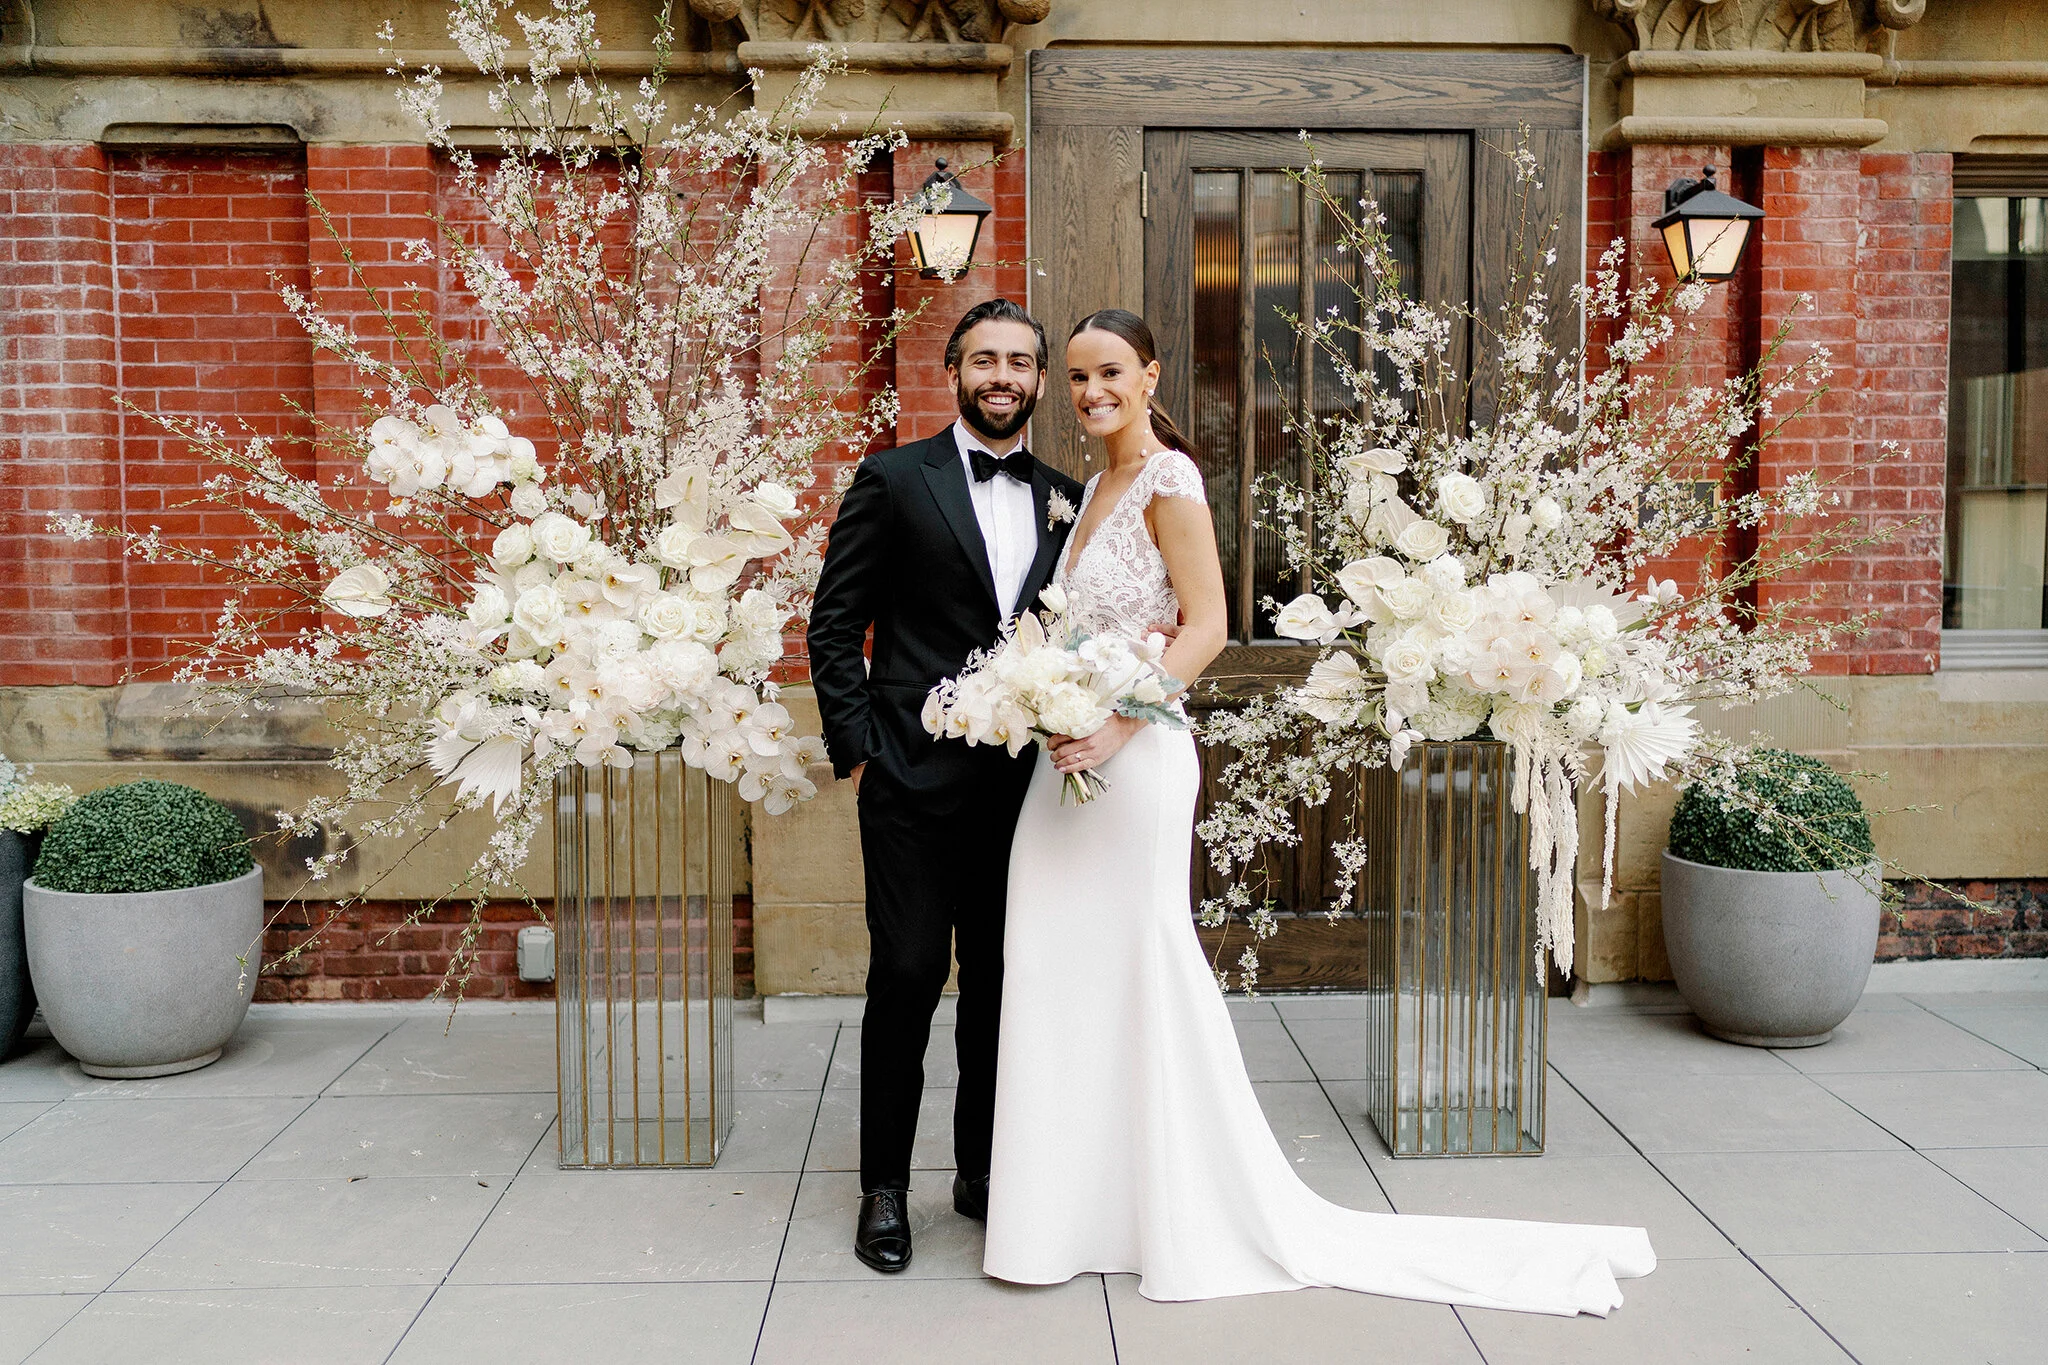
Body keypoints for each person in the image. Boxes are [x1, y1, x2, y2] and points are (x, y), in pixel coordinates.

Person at [980, 308, 1659, 1316]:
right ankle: (1070, 1214)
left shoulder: (1168, 479)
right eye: (1075, 377)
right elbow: (1085, 626)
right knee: (1047, 964)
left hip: (1134, 755)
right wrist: (1041, 703)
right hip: (1066, 763)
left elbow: (1205, 626)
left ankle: (1174, 1205)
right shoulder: (1088, 494)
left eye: (1109, 372)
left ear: (1150, 373)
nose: (1089, 393)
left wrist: (1115, 725)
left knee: (1140, 961)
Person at [808, 297, 1087, 1274]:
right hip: (910, 785)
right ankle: (883, 1190)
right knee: (908, 975)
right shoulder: (891, 480)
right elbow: (833, 625)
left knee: (1002, 989)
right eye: (984, 360)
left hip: (1024, 796)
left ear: (1040, 380)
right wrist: (861, 746)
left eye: (1019, 361)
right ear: (955, 372)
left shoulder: (1068, 497)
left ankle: (981, 1174)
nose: (1001, 376)